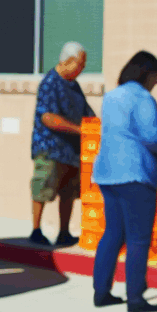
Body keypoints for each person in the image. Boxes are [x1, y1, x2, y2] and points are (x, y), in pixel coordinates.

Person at [91, 51, 157, 312]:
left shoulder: (112, 96)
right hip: (134, 174)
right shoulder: (144, 98)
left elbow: (127, 132)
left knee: (112, 233)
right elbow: (151, 138)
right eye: (156, 76)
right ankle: (135, 298)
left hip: (107, 173)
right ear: (146, 73)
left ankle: (101, 292)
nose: (156, 82)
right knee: (137, 239)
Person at [30, 42, 97, 247]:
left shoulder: (74, 86)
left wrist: (96, 127)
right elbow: (48, 117)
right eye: (80, 64)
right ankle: (36, 230)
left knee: (69, 192)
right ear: (67, 61)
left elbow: (87, 113)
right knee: (42, 188)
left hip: (72, 151)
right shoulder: (50, 83)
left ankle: (64, 232)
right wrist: (79, 130)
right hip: (50, 148)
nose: (81, 69)